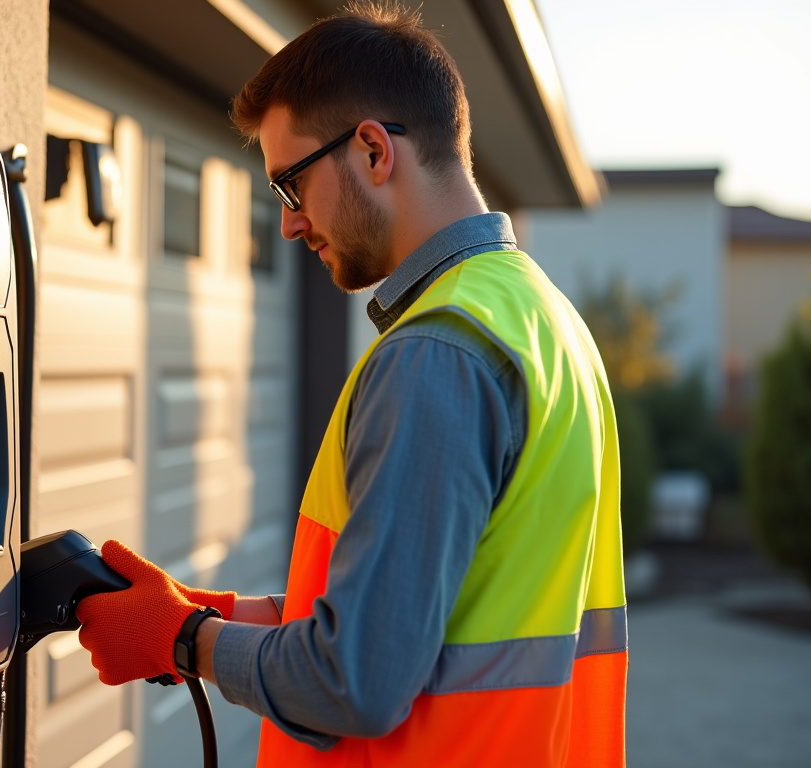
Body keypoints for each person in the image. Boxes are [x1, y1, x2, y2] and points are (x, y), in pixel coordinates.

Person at [75, 4, 628, 766]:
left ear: (372, 150)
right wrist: (220, 616)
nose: (290, 226)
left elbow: (356, 681)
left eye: (291, 186)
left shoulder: (438, 353)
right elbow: (436, 616)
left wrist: (180, 639)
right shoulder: (543, 320)